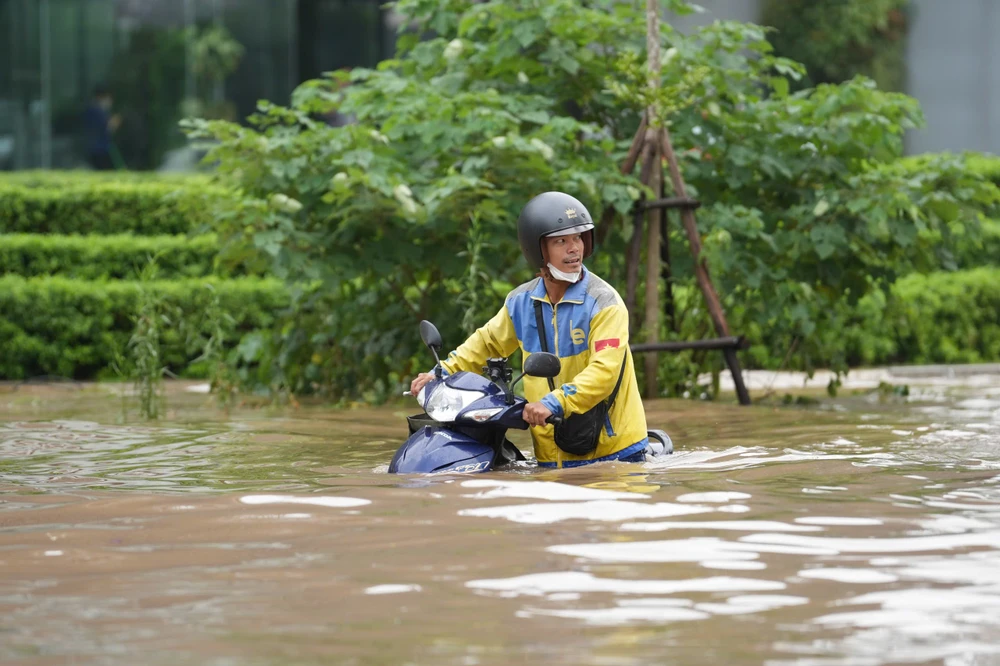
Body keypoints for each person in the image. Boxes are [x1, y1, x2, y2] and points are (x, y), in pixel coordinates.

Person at [409, 191, 653, 468]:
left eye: (578, 238)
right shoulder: (521, 302)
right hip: (550, 453)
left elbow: (604, 372)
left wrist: (553, 402)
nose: (574, 248)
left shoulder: (604, 302)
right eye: (561, 241)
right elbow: (486, 343)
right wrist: (440, 373)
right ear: (537, 249)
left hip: (614, 450)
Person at [82, 84, 121, 171]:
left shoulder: (91, 110)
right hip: (100, 150)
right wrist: (115, 121)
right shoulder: (97, 111)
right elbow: (107, 128)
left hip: (96, 149)